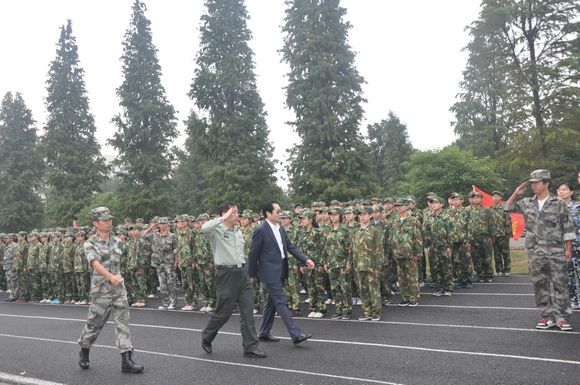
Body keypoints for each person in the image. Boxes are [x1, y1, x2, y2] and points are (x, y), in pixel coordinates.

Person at [505, 170, 575, 331]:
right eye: (532, 182)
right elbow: (507, 207)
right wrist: (516, 193)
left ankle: (562, 317)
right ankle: (546, 315)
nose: (533, 185)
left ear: (546, 183)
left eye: (537, 182)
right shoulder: (527, 202)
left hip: (556, 250)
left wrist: (568, 248)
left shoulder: (558, 203)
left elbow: (568, 227)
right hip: (535, 251)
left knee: (560, 284)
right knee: (539, 284)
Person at [77, 207, 144, 373]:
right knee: (94, 325)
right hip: (101, 292)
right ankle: (84, 349)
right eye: (104, 220)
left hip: (118, 290)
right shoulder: (90, 243)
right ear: (95, 223)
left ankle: (126, 360)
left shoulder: (117, 241)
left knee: (123, 324)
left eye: (109, 220)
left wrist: (119, 279)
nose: (108, 223)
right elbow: (95, 264)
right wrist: (110, 277)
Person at [200, 201, 265, 358]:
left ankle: (250, 347)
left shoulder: (238, 231)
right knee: (224, 312)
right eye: (234, 212)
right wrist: (224, 218)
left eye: (237, 212)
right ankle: (207, 336)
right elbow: (204, 228)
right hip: (225, 274)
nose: (238, 215)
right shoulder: (215, 230)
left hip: (242, 273)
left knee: (248, 312)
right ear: (225, 214)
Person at [248, 201, 314, 346]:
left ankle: (264, 332)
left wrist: (306, 259)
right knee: (281, 301)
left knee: (272, 303)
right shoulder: (261, 230)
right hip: (269, 273)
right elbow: (253, 254)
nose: (280, 214)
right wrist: (251, 274)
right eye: (277, 211)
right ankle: (296, 335)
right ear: (268, 214)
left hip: (281, 270)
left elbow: (290, 247)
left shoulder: (281, 229)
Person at [556, 182, 580, 310]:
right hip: (560, 246)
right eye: (559, 190)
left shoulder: (577, 206)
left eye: (565, 189)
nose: (561, 192)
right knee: (566, 273)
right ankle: (572, 299)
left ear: (571, 192)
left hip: (577, 244)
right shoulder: (553, 208)